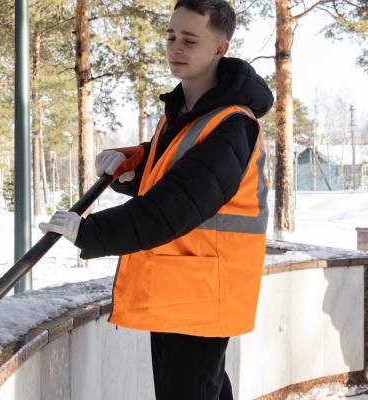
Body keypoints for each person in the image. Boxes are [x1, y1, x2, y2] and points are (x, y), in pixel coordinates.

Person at [38, 0, 275, 398]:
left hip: (204, 292)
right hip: (181, 284)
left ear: (220, 47)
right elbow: (174, 167)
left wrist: (92, 232)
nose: (175, 48)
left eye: (189, 39)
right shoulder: (186, 113)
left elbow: (176, 204)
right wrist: (133, 164)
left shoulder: (232, 125)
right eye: (170, 37)